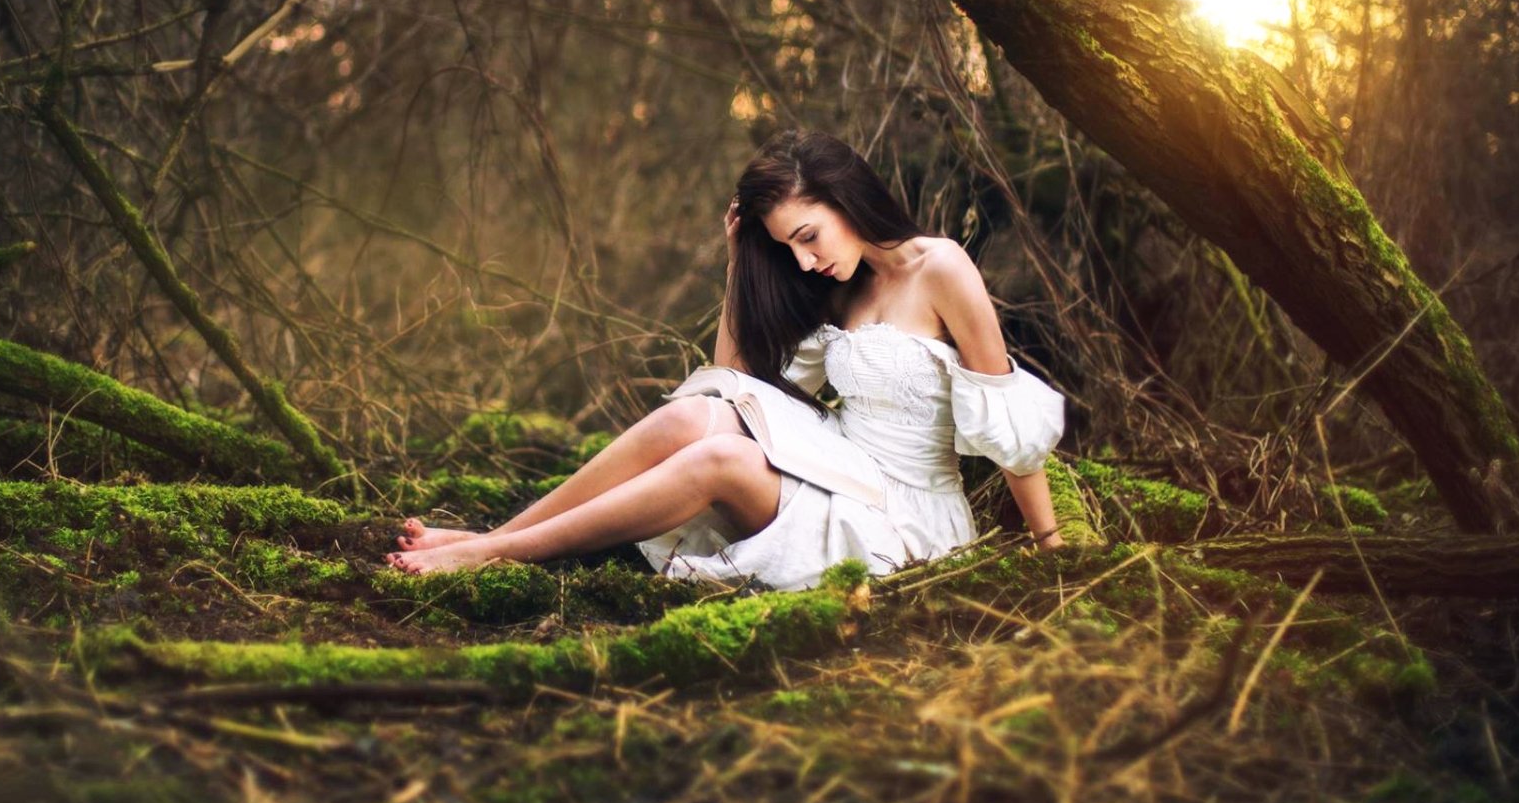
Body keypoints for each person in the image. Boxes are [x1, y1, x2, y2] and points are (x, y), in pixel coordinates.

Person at [385, 129, 1067, 587]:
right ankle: (492, 535)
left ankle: (494, 555)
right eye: (789, 248)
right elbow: (730, 384)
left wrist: (1052, 555)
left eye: (808, 236)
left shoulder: (941, 268)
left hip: (907, 513)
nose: (806, 260)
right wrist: (742, 259)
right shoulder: (838, 284)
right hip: (843, 461)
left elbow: (1012, 434)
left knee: (720, 457)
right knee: (695, 419)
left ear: (846, 197)